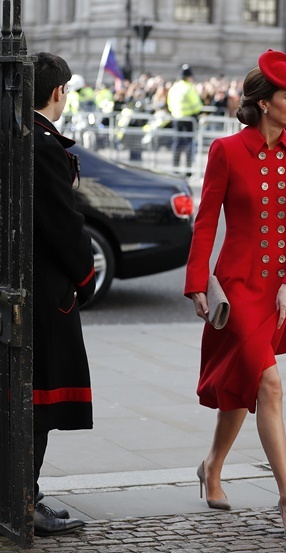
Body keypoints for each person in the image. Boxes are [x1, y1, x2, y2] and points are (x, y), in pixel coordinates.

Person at [183, 50, 286, 541]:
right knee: (270, 385)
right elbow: (206, 220)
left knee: (246, 382)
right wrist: (197, 281)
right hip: (236, 290)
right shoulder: (226, 151)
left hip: (275, 291)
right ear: (264, 104)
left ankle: (212, 465)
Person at [31, 52, 97, 537]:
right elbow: (62, 224)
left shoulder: (21, 136)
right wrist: (85, 272)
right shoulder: (42, 144)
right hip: (43, 293)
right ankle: (22, 500)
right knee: (39, 404)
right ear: (57, 92)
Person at [167, 63, 204, 173]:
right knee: (189, 144)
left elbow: (169, 103)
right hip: (189, 120)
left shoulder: (173, 88)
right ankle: (188, 169)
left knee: (177, 143)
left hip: (176, 118)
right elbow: (197, 106)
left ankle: (175, 168)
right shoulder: (189, 88)